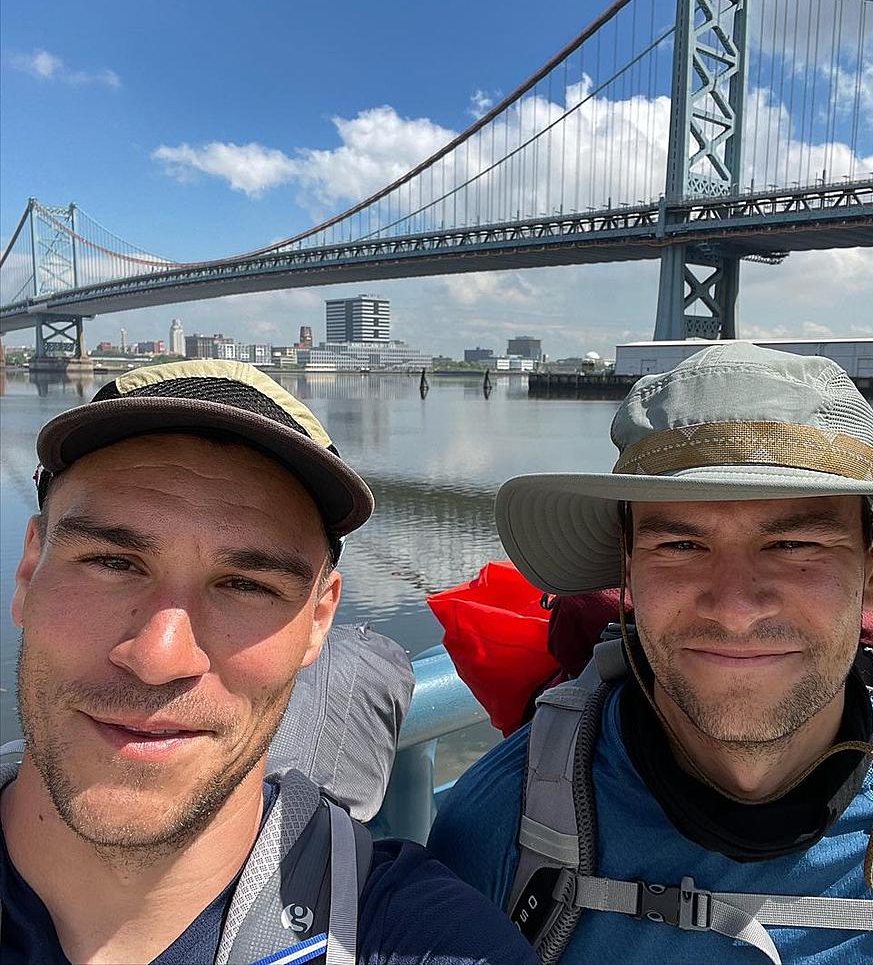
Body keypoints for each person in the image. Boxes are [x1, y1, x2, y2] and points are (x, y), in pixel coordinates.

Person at [429, 342, 873, 965]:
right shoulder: (502, 825)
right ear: (628, 566)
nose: (736, 607)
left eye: (795, 543)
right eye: (682, 546)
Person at [0, 360, 538, 965]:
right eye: (113, 563)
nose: (157, 657)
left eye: (245, 585)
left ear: (318, 621)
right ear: (28, 572)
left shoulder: (418, 940)